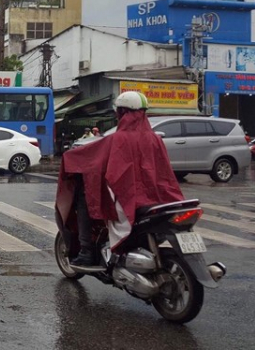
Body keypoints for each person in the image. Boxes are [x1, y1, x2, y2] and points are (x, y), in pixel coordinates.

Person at [56, 91, 184, 266]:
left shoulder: (117, 139)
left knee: (85, 199)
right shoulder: (155, 139)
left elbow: (92, 157)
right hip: (159, 197)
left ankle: (86, 251)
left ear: (121, 113)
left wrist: (70, 157)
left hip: (128, 199)